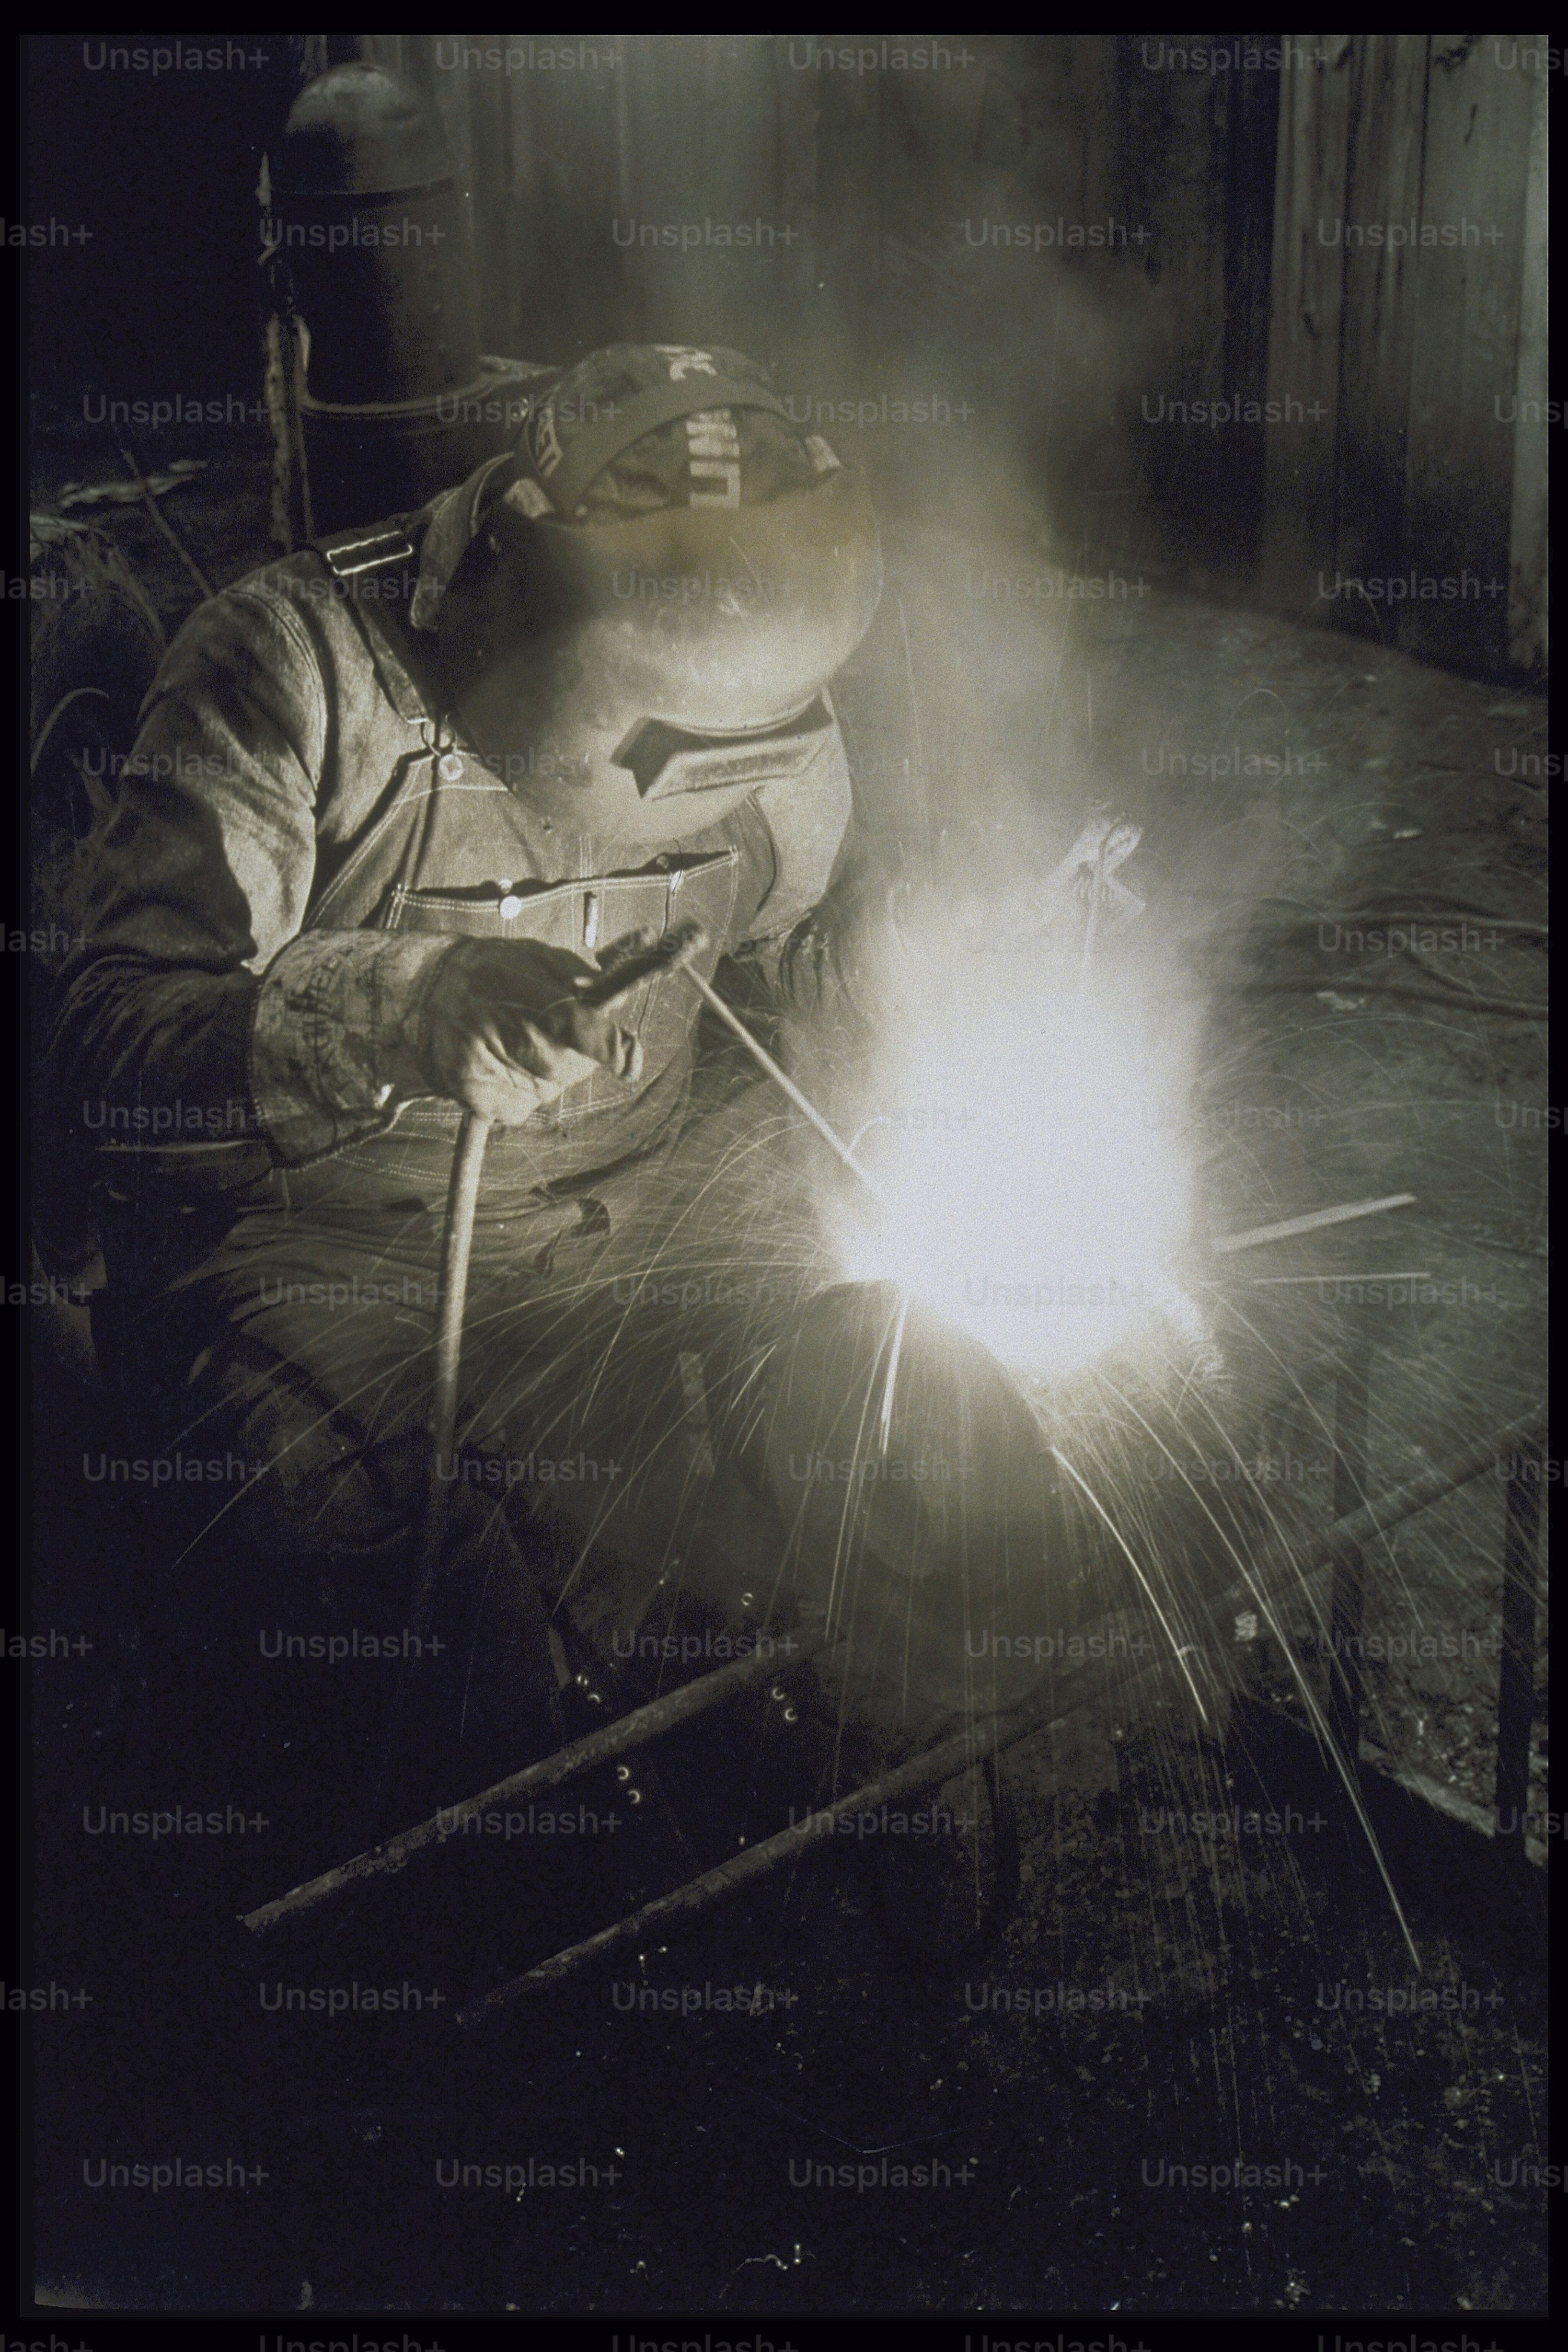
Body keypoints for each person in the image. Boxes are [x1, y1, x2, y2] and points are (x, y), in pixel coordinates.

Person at [53, 342, 1054, 1862]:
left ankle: (753, 1675)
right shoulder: (295, 674)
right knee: (424, 1634)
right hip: (331, 1263)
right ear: (507, 598)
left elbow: (790, 978)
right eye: (672, 744)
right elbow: (110, 1052)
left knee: (886, 1415)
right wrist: (400, 1006)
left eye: (771, 729)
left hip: (637, 1218)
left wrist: (925, 1004)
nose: (730, 780)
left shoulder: (776, 722)